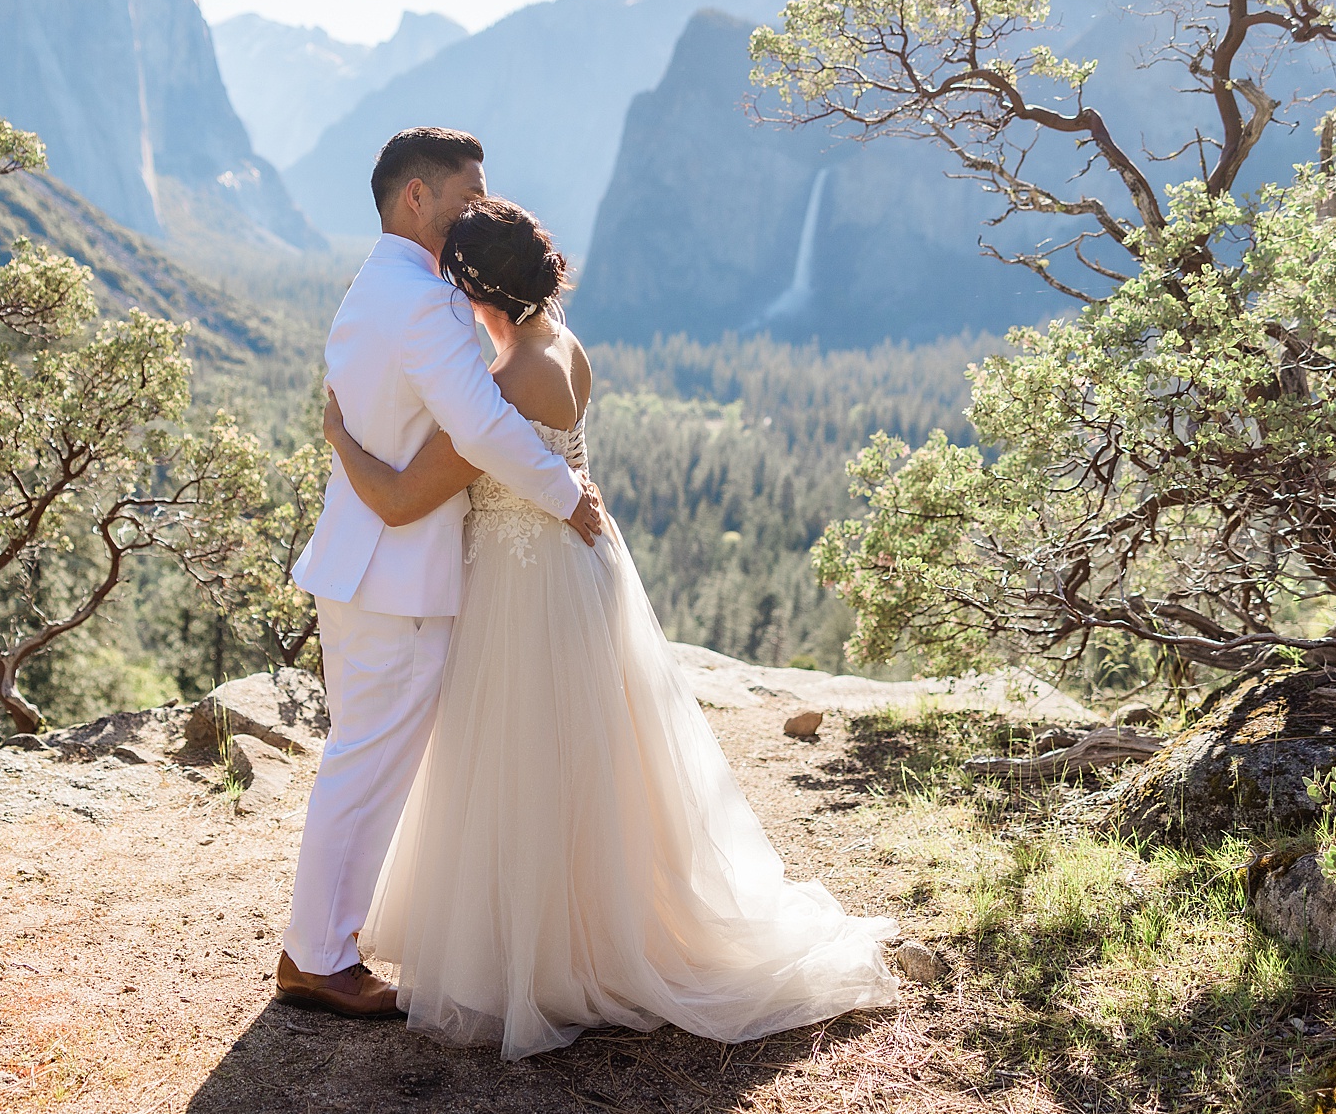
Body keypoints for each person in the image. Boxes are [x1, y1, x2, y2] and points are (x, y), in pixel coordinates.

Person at [321, 195, 901, 1059]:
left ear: (472, 286)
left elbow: (407, 497)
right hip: (581, 571)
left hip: (525, 588)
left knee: (526, 761)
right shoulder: (562, 347)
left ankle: (543, 959)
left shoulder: (502, 383)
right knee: (590, 761)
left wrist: (341, 435)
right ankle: (590, 927)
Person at [276, 129, 607, 1017]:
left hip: (367, 563)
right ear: (415, 196)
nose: (471, 219)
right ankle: (316, 956)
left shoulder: (378, 283)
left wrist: (343, 442)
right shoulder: (423, 301)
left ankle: (325, 944)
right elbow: (482, 427)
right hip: (397, 572)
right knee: (366, 765)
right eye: (465, 199)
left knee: (364, 760)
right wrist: (565, 491)